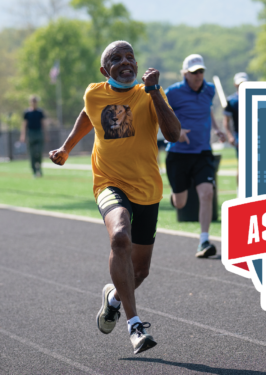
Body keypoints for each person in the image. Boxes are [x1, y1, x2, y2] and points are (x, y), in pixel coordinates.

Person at [49, 40, 181, 354]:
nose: (125, 62)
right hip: (109, 183)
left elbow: (174, 134)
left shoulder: (150, 94)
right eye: (116, 58)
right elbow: (88, 113)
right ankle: (135, 325)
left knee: (140, 271)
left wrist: (153, 92)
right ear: (104, 69)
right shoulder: (94, 93)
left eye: (130, 57)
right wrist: (67, 148)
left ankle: (113, 300)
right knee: (120, 236)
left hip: (147, 188)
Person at [165, 54, 226, 258]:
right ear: (185, 74)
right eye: (194, 72)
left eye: (201, 71)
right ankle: (175, 197)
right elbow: (158, 112)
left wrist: (217, 129)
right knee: (181, 203)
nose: (198, 75)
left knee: (207, 194)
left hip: (202, 152)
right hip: (178, 154)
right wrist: (176, 132)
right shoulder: (173, 92)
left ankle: (204, 241)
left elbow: (207, 110)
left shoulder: (209, 90)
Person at [223, 72, 248, 184]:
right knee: (242, 165)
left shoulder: (255, 97)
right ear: (235, 84)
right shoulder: (232, 101)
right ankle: (240, 192)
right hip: (240, 135)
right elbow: (226, 122)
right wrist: (230, 136)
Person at [20, 95, 46, 177]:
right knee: (32, 153)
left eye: (35, 101)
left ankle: (39, 169)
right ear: (30, 102)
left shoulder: (40, 112)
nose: (34, 103)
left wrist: (45, 135)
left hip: (38, 133)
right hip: (30, 133)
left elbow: (43, 124)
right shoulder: (27, 113)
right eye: (32, 101)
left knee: (39, 152)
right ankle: (34, 171)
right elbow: (24, 124)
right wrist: (23, 135)